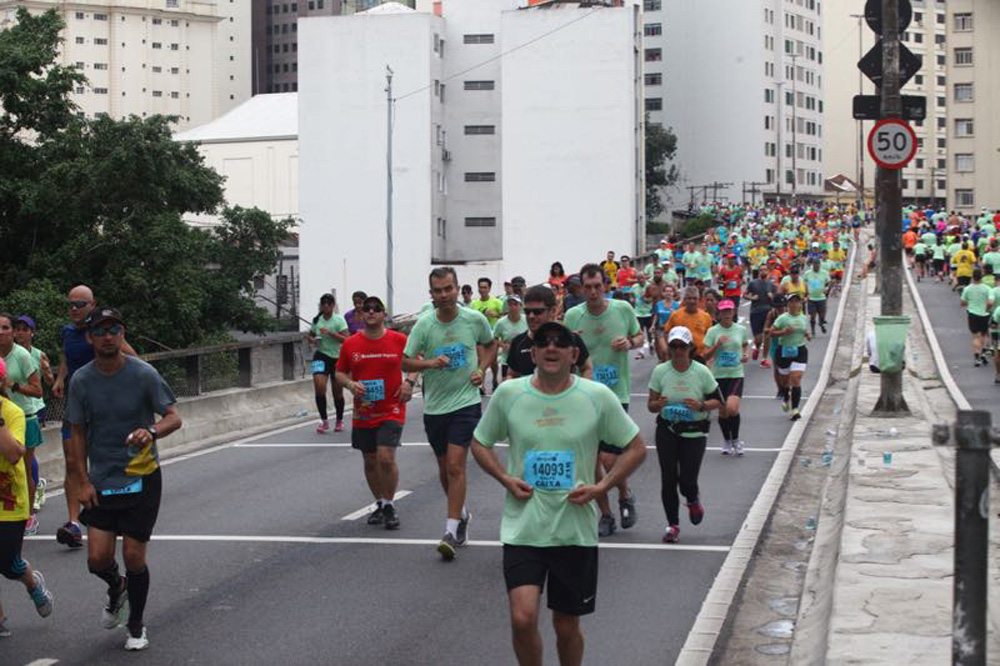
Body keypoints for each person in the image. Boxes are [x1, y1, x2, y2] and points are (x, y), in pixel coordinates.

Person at [470, 321, 646, 666]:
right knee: (522, 619)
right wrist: (505, 478)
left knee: (566, 626)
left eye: (560, 343)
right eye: (544, 343)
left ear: (574, 354)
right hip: (524, 527)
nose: (552, 348)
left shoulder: (596, 396)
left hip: (573, 531)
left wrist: (601, 487)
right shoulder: (510, 394)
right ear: (533, 353)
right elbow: (480, 443)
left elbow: (636, 448)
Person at [65, 307, 182, 651]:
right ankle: (117, 587)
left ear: (122, 333)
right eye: (100, 331)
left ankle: (136, 625)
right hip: (102, 480)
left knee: (134, 554)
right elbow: (76, 435)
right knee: (97, 559)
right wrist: (82, 482)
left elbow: (174, 417)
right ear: (89, 338)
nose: (107, 336)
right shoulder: (82, 381)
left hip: (142, 477)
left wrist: (151, 431)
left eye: (114, 329)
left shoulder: (144, 374)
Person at [402, 267, 496, 560]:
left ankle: (450, 529)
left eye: (448, 289)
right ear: (431, 294)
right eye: (438, 291)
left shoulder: (474, 319)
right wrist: (430, 364)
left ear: (457, 289)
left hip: (466, 402)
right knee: (445, 470)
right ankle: (462, 515)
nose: (444, 295)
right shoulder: (425, 325)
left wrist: (482, 369)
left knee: (456, 465)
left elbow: (491, 344)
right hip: (435, 407)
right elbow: (405, 362)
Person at [53, 285, 137, 549]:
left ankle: (115, 510)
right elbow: (67, 357)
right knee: (72, 461)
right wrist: (59, 379)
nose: (74, 309)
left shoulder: (103, 331)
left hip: (103, 408)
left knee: (106, 459)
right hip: (76, 405)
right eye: (70, 304)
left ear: (92, 305)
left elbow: (132, 358)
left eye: (80, 304)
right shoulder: (68, 332)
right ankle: (74, 522)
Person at [564, 264, 643, 537]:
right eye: (588, 287)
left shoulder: (622, 309)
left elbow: (640, 336)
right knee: (591, 461)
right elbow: (564, 352)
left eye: (598, 286)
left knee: (611, 459)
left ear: (605, 285)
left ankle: (624, 493)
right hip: (583, 396)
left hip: (615, 394)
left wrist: (630, 343)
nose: (594, 292)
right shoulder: (573, 316)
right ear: (581, 288)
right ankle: (606, 514)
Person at [335, 296, 412, 530]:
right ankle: (379, 502)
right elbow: (340, 373)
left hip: (392, 407)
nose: (370, 312)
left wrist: (409, 382)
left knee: (386, 457)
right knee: (370, 460)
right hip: (365, 410)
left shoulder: (399, 340)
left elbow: (415, 362)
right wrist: (350, 385)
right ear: (360, 314)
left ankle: (389, 505)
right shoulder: (351, 344)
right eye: (366, 309)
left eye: (375, 309)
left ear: (383, 314)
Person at [647, 326, 723, 543]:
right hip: (667, 429)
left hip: (694, 432)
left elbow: (718, 401)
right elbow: (650, 406)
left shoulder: (701, 371)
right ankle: (673, 525)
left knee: (687, 480)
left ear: (690, 348)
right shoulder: (660, 371)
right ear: (669, 348)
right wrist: (658, 404)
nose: (678, 350)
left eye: (682, 346)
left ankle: (692, 499)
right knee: (668, 478)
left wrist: (700, 405)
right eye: (674, 346)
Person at [0, 356, 54, 636]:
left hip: (9, 500)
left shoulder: (12, 413)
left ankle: (32, 583)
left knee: (8, 565)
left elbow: (12, 454)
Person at [0, 315, 44, 536]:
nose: (1, 332)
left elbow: (37, 390)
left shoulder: (22, 355)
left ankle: (28, 515)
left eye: (5, 328)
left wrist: (13, 385)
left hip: (24, 417)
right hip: (2, 418)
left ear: (12, 332)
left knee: (23, 469)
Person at [506, 286, 592, 381]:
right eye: (527, 312)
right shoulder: (518, 342)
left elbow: (587, 368)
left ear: (553, 311)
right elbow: (511, 374)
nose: (531, 316)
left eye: (537, 312)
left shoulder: (571, 339)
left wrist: (581, 393)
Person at [13, 316, 52, 515]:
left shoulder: (38, 354)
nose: (20, 333)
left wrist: (47, 372)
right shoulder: (9, 354)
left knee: (28, 454)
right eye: (17, 329)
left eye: (24, 329)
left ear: (32, 333)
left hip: (34, 408)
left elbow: (50, 382)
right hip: (12, 409)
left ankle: (34, 490)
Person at [702, 301, 751, 456]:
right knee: (722, 412)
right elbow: (705, 355)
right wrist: (717, 345)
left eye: (729, 311)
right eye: (724, 311)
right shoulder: (712, 331)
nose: (727, 314)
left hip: (736, 373)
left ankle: (736, 440)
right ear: (719, 314)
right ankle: (727, 441)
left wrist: (745, 354)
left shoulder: (740, 329)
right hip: (718, 376)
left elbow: (744, 345)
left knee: (731, 408)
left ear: (734, 312)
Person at [307, 294, 349, 434]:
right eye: (323, 304)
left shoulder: (339, 320)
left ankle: (339, 419)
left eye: (328, 304)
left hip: (337, 357)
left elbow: (346, 339)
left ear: (332, 306)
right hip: (321, 355)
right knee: (319, 386)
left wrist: (331, 333)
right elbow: (311, 334)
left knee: (337, 392)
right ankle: (324, 420)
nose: (325, 307)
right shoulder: (317, 319)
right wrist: (312, 339)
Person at [770, 294, 811, 420]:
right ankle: (787, 396)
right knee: (785, 381)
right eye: (791, 302)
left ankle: (795, 409)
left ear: (800, 304)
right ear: (787, 305)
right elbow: (771, 333)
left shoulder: (804, 318)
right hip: (784, 351)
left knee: (796, 379)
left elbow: (804, 331)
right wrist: (783, 332)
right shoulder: (782, 318)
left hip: (800, 350)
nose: (794, 304)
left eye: (797, 302)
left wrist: (807, 335)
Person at [663, 286, 712, 362]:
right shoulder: (676, 315)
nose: (692, 301)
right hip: (680, 355)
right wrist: (671, 349)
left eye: (694, 298)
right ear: (684, 300)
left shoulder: (706, 316)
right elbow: (666, 332)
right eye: (689, 298)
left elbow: (709, 337)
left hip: (699, 356)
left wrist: (705, 352)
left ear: (698, 300)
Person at [960, 269, 993, 368]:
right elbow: (991, 302)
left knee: (976, 336)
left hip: (973, 313)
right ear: (981, 277)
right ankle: (983, 350)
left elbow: (962, 303)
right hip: (985, 314)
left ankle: (977, 357)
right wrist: (986, 309)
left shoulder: (968, 289)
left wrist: (970, 302)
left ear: (972, 277)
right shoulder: (987, 289)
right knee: (985, 334)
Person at [745, 268, 777, 362]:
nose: (764, 272)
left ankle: (764, 358)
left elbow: (778, 297)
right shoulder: (753, 283)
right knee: (758, 339)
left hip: (768, 312)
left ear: (768, 272)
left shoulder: (771, 284)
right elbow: (744, 295)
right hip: (755, 312)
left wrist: (772, 296)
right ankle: (757, 348)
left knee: (767, 335)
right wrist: (752, 298)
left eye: (765, 270)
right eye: (762, 270)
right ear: (759, 272)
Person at [493, 296, 528, 381]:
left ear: (520, 306)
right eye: (510, 305)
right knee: (506, 383)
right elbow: (494, 338)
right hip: (507, 359)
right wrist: (503, 345)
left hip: (524, 357)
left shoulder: (527, 319)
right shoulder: (501, 323)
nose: (513, 307)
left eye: (515, 304)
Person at [803, 257, 831, 336]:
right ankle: (813, 330)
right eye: (815, 265)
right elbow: (804, 282)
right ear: (812, 265)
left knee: (822, 315)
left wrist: (827, 288)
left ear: (820, 265)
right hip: (811, 297)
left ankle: (821, 324)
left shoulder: (824, 273)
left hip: (821, 297)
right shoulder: (808, 273)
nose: (817, 266)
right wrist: (806, 293)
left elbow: (829, 282)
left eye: (818, 265)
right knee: (812, 316)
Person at [631, 272, 653, 360]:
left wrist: (645, 299)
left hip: (648, 312)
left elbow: (651, 299)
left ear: (645, 278)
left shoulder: (649, 286)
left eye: (642, 278)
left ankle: (651, 345)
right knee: (639, 333)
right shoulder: (634, 287)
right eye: (639, 278)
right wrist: (632, 300)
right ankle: (641, 352)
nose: (641, 280)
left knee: (649, 332)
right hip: (638, 313)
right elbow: (632, 297)